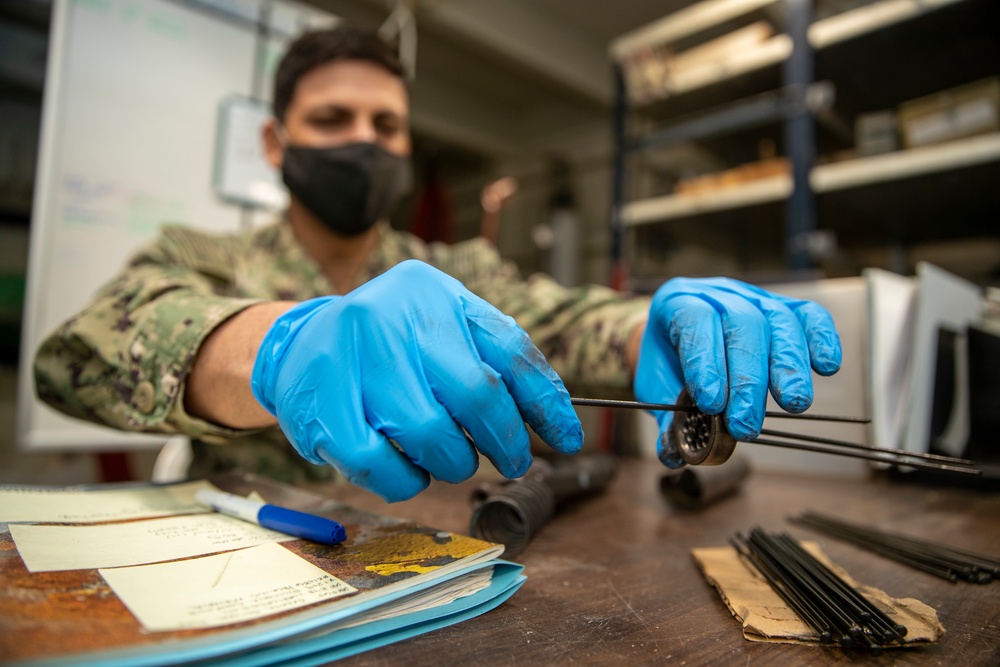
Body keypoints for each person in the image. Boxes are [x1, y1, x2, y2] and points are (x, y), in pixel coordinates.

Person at [33, 25, 842, 501]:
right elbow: (80, 350)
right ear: (276, 144)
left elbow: (563, 323)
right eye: (332, 118)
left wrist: (651, 327)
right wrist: (276, 347)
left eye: (385, 125)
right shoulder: (203, 257)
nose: (363, 139)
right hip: (249, 580)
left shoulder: (455, 273)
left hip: (440, 574)